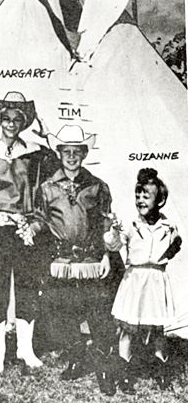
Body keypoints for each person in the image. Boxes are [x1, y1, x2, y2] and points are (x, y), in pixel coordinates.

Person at [27, 125, 122, 396]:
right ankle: (77, 356)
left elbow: (106, 223)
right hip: (61, 260)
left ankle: (104, 367)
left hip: (91, 259)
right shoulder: (46, 188)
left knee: (99, 313)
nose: (71, 156)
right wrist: (32, 229)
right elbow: (39, 219)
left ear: (84, 153)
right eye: (66, 151)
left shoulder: (96, 185)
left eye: (76, 152)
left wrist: (106, 254)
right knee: (63, 313)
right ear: (59, 153)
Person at [0, 91, 59, 374]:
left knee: (27, 287)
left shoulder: (34, 152)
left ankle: (25, 349)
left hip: (26, 229)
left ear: (24, 122)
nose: (10, 124)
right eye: (6, 118)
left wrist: (47, 135)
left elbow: (58, 167)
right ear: (0, 119)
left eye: (16, 119)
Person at [104, 168, 182, 393]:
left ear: (160, 199)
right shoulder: (129, 225)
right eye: (137, 195)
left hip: (156, 280)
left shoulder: (168, 227)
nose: (140, 200)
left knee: (157, 328)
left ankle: (161, 368)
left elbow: (176, 244)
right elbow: (114, 245)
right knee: (127, 328)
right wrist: (114, 234)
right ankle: (123, 372)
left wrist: (168, 252)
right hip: (135, 279)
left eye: (146, 196)